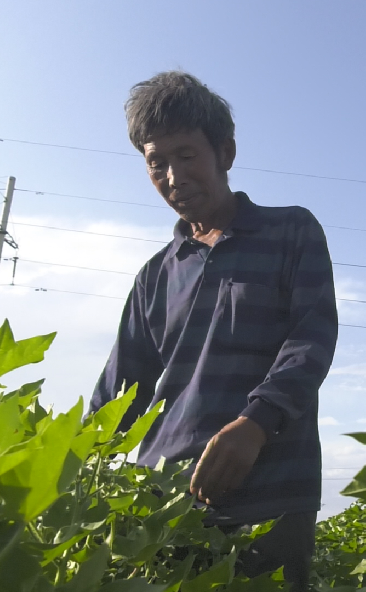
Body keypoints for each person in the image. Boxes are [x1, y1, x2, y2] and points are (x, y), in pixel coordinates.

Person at [90, 71, 338, 589]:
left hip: (272, 489)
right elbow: (119, 392)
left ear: (224, 152)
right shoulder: (155, 275)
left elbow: (310, 339)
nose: (173, 176)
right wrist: (75, 465)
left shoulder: (291, 231)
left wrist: (255, 423)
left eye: (186, 155)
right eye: (156, 163)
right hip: (166, 501)